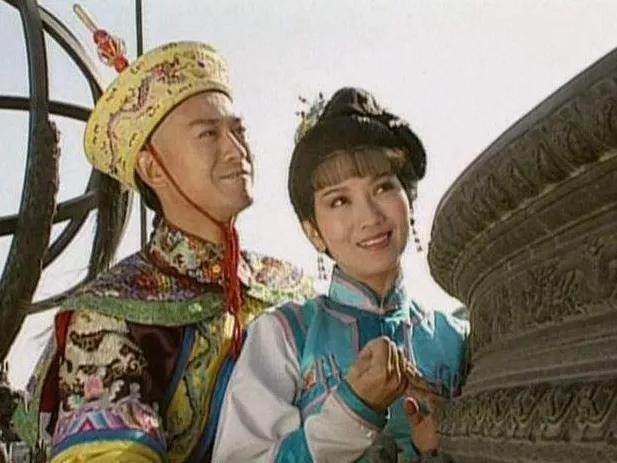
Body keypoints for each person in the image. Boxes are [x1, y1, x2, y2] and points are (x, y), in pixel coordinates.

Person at [12, 39, 313, 463]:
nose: (236, 150)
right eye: (208, 134)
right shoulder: (109, 315)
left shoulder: (290, 288)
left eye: (239, 130)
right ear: (153, 167)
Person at [213, 87, 468, 462]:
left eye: (383, 187)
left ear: (409, 200)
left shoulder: (456, 339)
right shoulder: (285, 336)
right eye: (339, 200)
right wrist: (353, 411)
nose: (369, 217)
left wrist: (443, 444)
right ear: (313, 231)